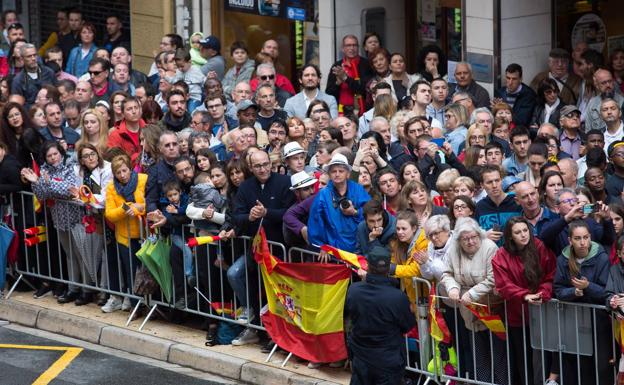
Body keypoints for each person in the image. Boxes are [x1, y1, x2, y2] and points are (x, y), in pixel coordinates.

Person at [440, 217, 507, 384]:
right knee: (479, 356)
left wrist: (472, 294)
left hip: (490, 309)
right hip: (467, 312)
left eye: (473, 237)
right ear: (459, 240)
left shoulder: (489, 247)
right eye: (465, 239)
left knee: (498, 355)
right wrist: (453, 288)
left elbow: (493, 278)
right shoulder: (453, 249)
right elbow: (446, 274)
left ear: (479, 235)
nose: (470, 242)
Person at [492, 217, 557, 385]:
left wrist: (543, 293)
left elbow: (551, 274)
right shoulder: (501, 255)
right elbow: (503, 284)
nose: (523, 235)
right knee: (523, 360)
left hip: (542, 311)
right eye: (517, 232)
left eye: (525, 230)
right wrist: (524, 295)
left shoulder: (539, 246)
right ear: (510, 236)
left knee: (545, 359)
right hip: (517, 316)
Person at [553, 220, 612, 385]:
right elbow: (557, 289)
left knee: (602, 365)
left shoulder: (601, 258)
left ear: (590, 238)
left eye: (585, 237)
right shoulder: (562, 260)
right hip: (574, 320)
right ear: (570, 240)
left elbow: (607, 292)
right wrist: (573, 292)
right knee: (580, 364)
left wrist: (588, 286)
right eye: (578, 238)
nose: (582, 242)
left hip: (599, 320)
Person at [345, 245, 415, 385]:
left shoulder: (354, 290)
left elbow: (349, 316)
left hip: (361, 358)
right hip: (387, 361)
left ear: (368, 266)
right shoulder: (397, 297)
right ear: (389, 267)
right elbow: (408, 325)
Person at [101, 154, 147, 313]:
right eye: (118, 172)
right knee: (131, 272)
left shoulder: (143, 179)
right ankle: (136, 305)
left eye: (124, 171)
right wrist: (127, 207)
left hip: (145, 234)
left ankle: (149, 304)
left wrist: (138, 208)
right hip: (124, 236)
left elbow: (147, 204)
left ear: (130, 169)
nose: (122, 175)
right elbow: (110, 214)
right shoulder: (111, 187)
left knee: (147, 272)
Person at [308, 153, 370, 252]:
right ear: (329, 174)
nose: (337, 174)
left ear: (347, 173)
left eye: (341, 171)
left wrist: (355, 212)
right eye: (333, 171)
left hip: (359, 247)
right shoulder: (323, 195)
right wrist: (322, 246)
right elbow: (316, 223)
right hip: (334, 250)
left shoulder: (358, 189)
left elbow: (371, 211)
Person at [325, 35, 374, 117]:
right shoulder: (337, 66)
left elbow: (366, 89)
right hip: (341, 112)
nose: (352, 48)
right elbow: (329, 94)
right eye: (348, 45)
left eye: (354, 45)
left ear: (358, 47)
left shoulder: (366, 64)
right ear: (343, 48)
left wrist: (346, 79)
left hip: (364, 111)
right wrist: (337, 83)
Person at [475, 165, 522, 242]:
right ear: (482, 185)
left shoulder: (516, 201)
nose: (494, 185)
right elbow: (475, 233)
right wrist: (484, 236)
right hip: (491, 252)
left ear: (502, 180)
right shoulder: (480, 207)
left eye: (497, 180)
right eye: (489, 182)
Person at [11, 44, 56, 109]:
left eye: (35, 55)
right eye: (29, 56)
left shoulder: (49, 73)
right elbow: (17, 106)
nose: (33, 58)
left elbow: (56, 95)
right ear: (22, 59)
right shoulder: (18, 81)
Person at [585, 68, 624, 132]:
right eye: (604, 83)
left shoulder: (622, 102)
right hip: (598, 141)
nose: (608, 85)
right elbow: (588, 131)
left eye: (610, 81)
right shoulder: (592, 104)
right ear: (597, 86)